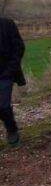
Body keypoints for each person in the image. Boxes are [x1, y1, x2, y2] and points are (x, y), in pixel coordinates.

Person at [0, 17, 25, 146]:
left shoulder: (7, 24)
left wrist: (10, 70)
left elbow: (19, 47)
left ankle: (12, 130)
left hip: (5, 74)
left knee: (3, 106)